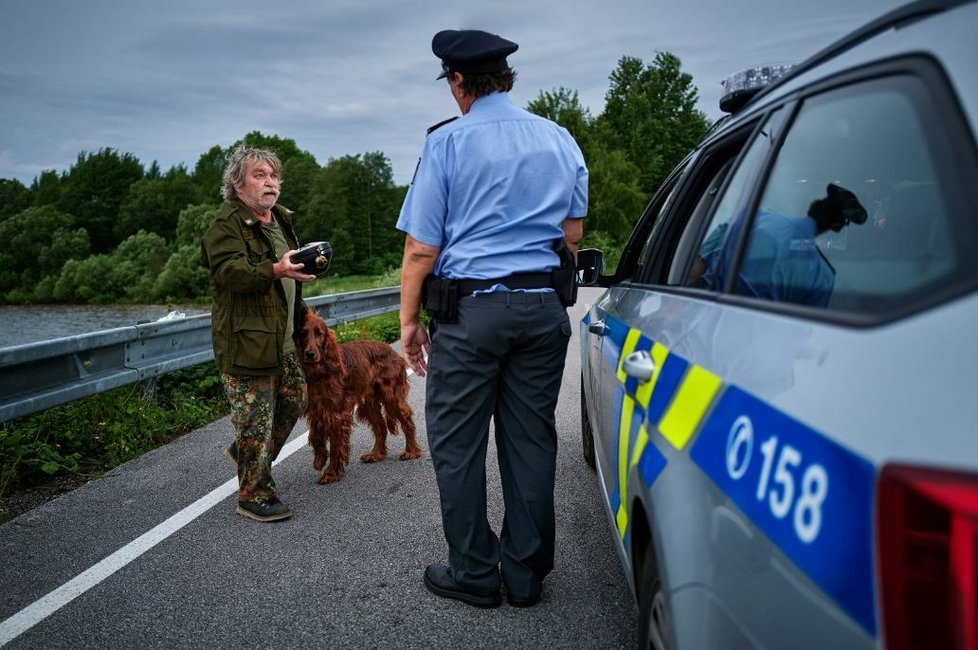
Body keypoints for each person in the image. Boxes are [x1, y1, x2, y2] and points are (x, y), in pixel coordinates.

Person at [397, 29, 588, 609]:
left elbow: (421, 251)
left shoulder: (447, 144)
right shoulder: (559, 139)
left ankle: (475, 573)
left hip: (470, 315)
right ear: (506, 79)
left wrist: (410, 322)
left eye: (451, 85)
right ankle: (526, 575)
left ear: (458, 82)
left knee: (457, 444)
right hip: (542, 311)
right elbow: (571, 237)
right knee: (531, 440)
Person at [201, 146, 316, 522]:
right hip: (247, 340)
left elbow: (285, 266)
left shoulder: (279, 218)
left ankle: (248, 452)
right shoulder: (225, 226)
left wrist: (300, 268)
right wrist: (277, 270)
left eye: (273, 176)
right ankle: (254, 494)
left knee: (295, 400)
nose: (271, 183)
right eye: (260, 176)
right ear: (237, 183)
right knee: (255, 419)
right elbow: (230, 272)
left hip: (282, 336)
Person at [692, 183, 867, 307]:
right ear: (837, 227)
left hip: (705, 317)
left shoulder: (754, 218)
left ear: (814, 205)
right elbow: (802, 332)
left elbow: (694, 271)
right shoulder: (823, 276)